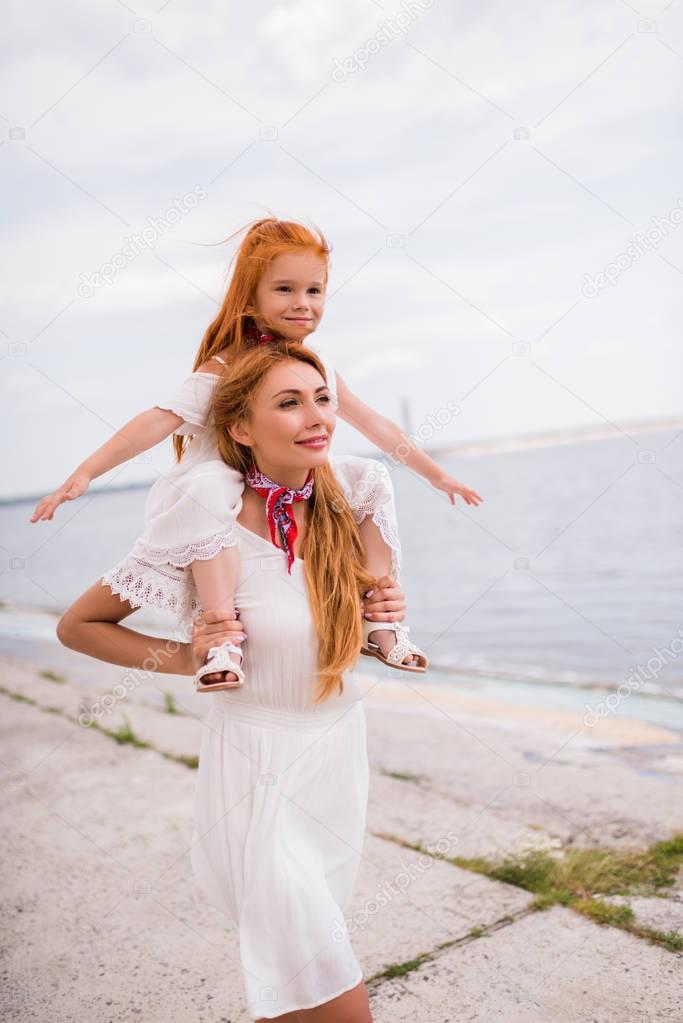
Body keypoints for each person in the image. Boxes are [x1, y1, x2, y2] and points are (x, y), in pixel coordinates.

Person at [57, 341, 412, 1021]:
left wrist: (379, 620)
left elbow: (332, 643)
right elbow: (80, 626)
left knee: (290, 987)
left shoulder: (346, 510)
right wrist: (190, 658)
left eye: (321, 397)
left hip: (336, 762)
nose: (316, 416)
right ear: (240, 428)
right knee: (326, 983)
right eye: (288, 401)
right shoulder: (202, 524)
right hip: (257, 774)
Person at [35, 217, 482, 690]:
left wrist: (436, 476)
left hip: (290, 476)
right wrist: (86, 471)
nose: (302, 304)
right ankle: (223, 632)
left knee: (371, 476)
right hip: (226, 479)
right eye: (285, 289)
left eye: (314, 291)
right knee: (212, 487)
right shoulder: (229, 364)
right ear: (251, 299)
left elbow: (373, 422)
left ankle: (379, 618)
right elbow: (158, 419)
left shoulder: (317, 364)